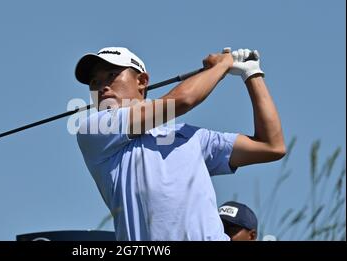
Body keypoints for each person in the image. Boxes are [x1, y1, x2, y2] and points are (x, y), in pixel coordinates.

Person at [75, 46, 285, 241]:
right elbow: (183, 99)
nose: (102, 87)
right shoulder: (93, 130)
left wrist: (252, 74)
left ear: (142, 81)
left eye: (111, 75)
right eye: (94, 82)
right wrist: (222, 65)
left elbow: (271, 146)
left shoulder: (190, 137)